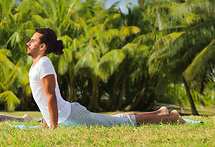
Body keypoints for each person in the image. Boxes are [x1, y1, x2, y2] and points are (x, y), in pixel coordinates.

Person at [26, 28, 185, 129]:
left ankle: (171, 117)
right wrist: (45, 125)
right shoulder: (37, 65)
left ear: (42, 46)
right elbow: (44, 100)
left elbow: (50, 96)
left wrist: (52, 126)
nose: (28, 43)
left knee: (119, 123)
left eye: (32, 41)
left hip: (70, 117)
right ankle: (159, 112)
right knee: (116, 119)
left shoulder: (44, 64)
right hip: (67, 115)